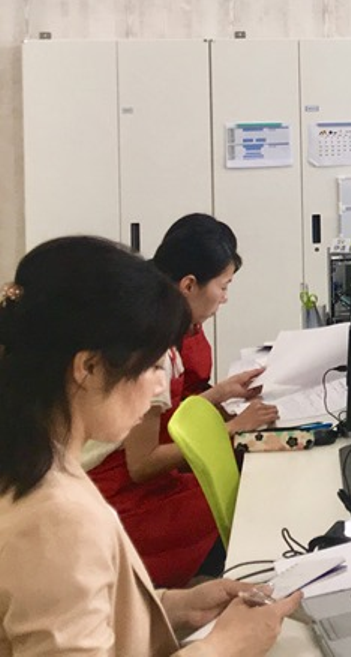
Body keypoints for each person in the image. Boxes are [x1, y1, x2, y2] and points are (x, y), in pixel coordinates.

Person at [0, 235, 300, 655]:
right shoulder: (56, 518)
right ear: (88, 367)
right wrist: (224, 646)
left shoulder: (38, 461)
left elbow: (85, 610)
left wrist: (177, 606)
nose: (161, 387)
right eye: (151, 367)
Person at [86, 214, 278, 587]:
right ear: (189, 285)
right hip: (118, 495)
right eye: (223, 287)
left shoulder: (156, 327)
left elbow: (163, 414)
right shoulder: (153, 351)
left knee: (238, 485)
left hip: (125, 479)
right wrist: (232, 428)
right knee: (238, 499)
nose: (225, 298)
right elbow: (142, 464)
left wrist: (221, 393)